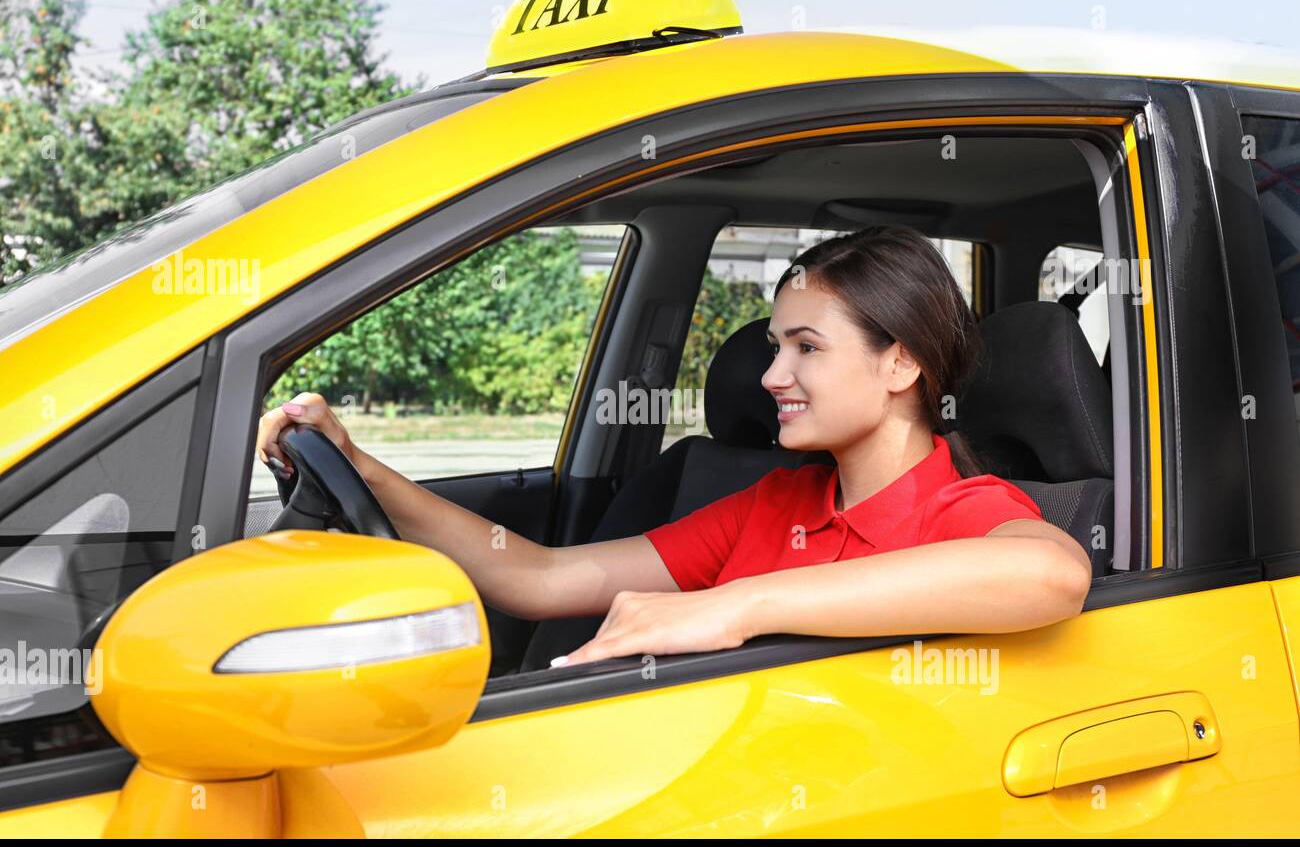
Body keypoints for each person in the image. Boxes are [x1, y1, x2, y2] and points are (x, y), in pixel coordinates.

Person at [256, 226, 1092, 668]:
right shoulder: (776, 501)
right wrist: (358, 462)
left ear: (900, 361)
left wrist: (737, 604)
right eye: (773, 347)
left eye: (806, 347)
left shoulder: (962, 509)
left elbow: (1051, 574)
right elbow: (540, 576)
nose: (770, 376)